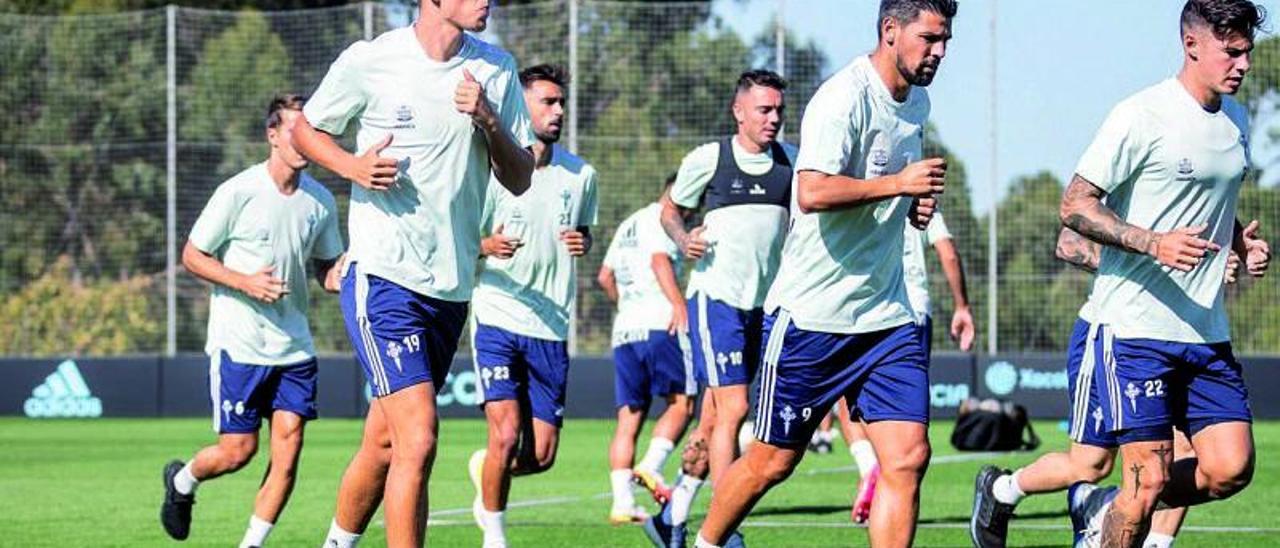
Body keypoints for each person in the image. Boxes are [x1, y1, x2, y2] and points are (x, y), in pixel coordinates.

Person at [694, 0, 956, 545]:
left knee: (907, 459)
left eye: (945, 39)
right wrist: (899, 186)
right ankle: (705, 540)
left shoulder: (918, 101)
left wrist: (914, 204)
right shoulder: (843, 98)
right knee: (770, 463)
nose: (939, 51)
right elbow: (810, 191)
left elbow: (895, 183)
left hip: (887, 315)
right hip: (813, 317)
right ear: (890, 31)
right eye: (929, 38)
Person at [291, 0, 536, 544]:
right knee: (419, 438)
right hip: (382, 277)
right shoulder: (371, 59)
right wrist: (351, 166)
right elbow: (305, 132)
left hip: (448, 290)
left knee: (384, 443)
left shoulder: (498, 68)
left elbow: (520, 178)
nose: (487, 0)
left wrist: (489, 119)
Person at [1055, 1, 1270, 546]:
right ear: (1192, 44)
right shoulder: (1141, 114)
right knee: (1147, 480)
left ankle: (1107, 508)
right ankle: (1118, 508)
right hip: (1133, 329)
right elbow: (1075, 205)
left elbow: (1208, 200)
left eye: (1247, 51)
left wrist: (1239, 240)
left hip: (1205, 332)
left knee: (1229, 469)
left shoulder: (1236, 120)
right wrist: (1153, 243)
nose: (1242, 63)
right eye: (1232, 50)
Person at [967, 225, 1252, 548]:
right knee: (1091, 464)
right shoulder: (1130, 181)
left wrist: (1226, 259)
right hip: (1117, 332)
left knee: (1187, 450)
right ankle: (1003, 489)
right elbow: (1068, 242)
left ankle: (1151, 539)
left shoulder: (1207, 190)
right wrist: (1151, 261)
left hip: (1190, 337)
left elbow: (1211, 247)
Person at [159, 94, 344, 547]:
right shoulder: (238, 191)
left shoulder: (320, 202)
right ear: (272, 135)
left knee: (289, 451)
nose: (303, 138)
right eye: (294, 129)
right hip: (240, 342)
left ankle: (251, 544)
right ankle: (183, 481)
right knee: (238, 452)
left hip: (295, 346)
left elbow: (326, 268)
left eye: (310, 130)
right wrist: (245, 281)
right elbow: (192, 256)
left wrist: (343, 275)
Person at [647, 68, 795, 548]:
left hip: (763, 307)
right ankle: (723, 527)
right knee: (735, 407)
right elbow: (669, 210)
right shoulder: (710, 159)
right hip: (717, 300)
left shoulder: (790, 162)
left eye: (778, 110)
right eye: (764, 110)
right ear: (739, 112)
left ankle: (672, 518)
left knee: (713, 421)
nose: (773, 118)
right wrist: (683, 237)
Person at [465, 63, 598, 548]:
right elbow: (461, 238)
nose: (559, 110)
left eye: (562, 101)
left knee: (541, 455)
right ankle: (495, 538)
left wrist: (582, 239)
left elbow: (583, 229)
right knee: (504, 434)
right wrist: (485, 245)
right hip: (497, 315)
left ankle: (489, 478)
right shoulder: (491, 172)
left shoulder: (582, 175)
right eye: (548, 101)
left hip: (550, 324)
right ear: (522, 107)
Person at [843, 207, 975, 524]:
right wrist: (962, 306)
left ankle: (868, 467)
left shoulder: (862, 191)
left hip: (865, 308)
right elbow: (949, 253)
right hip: (914, 310)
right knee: (904, 413)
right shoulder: (922, 198)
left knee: (848, 398)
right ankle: (888, 478)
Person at [598, 174, 696, 524]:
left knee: (628, 419)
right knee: (683, 403)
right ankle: (652, 466)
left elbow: (604, 277)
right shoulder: (662, 219)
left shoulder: (629, 223)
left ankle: (622, 503)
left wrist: (626, 307)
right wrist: (679, 304)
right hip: (660, 322)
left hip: (625, 329)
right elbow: (659, 260)